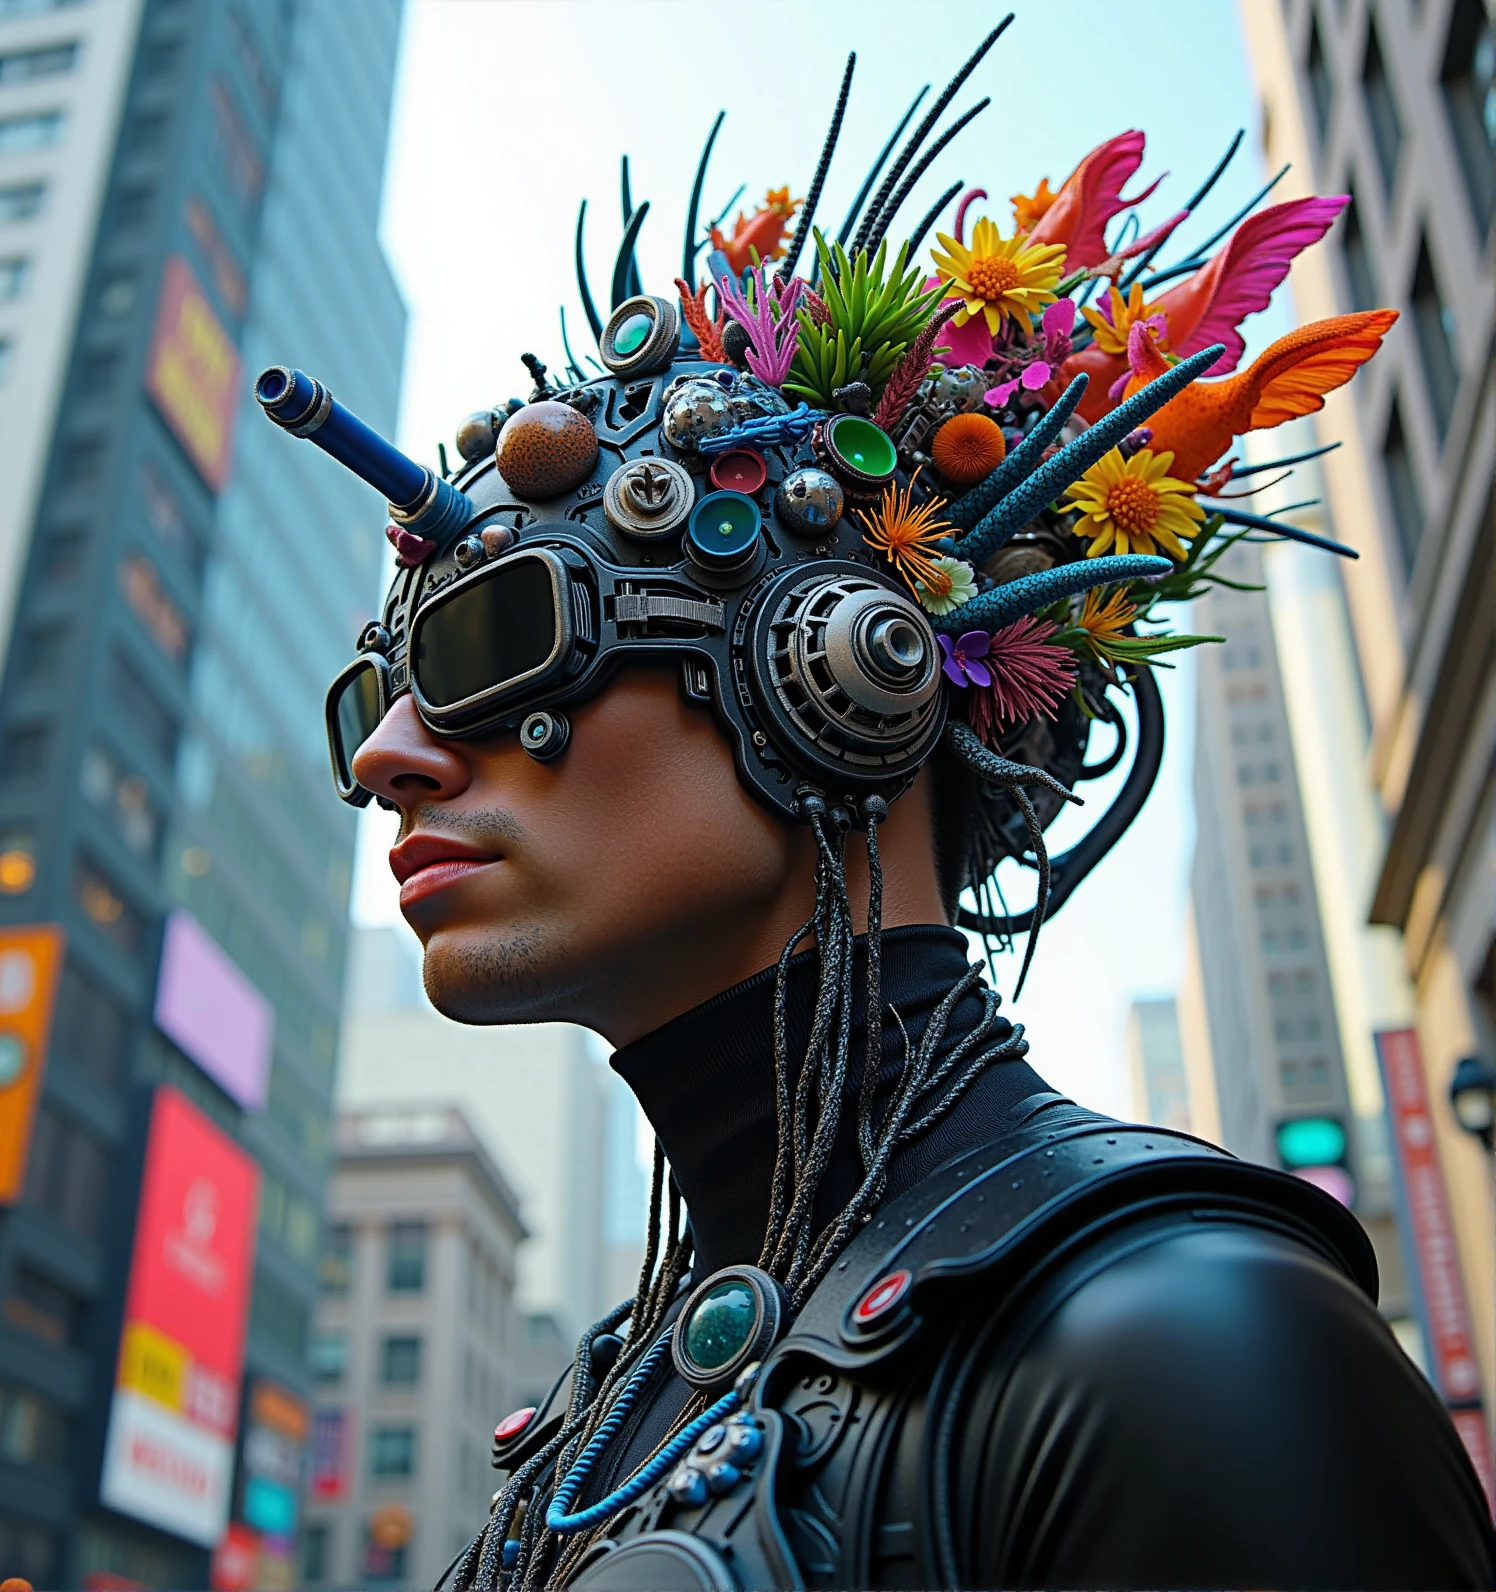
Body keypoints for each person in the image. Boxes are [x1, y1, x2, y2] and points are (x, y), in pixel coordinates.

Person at [260, 23, 1496, 1589]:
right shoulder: (596, 1419)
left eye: (492, 636)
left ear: (838, 667)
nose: (390, 758)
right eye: (373, 701)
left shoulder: (1168, 1346)